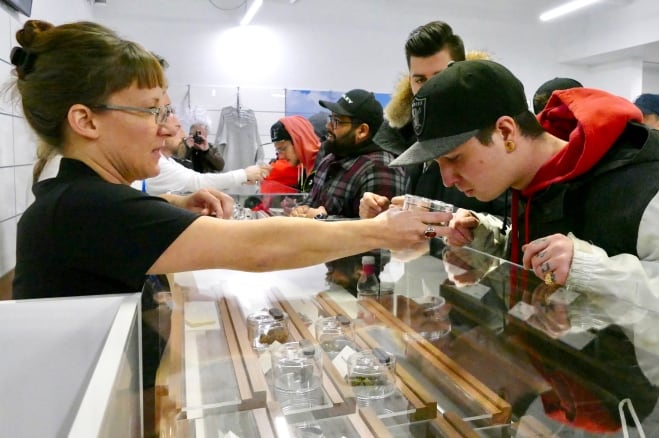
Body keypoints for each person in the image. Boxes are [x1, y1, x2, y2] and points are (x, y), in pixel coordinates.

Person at [10, 19, 452, 302]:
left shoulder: (77, 198)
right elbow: (261, 249)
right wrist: (378, 231)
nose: (168, 129)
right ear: (85, 121)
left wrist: (173, 210)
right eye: (152, 111)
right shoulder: (85, 208)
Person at [389, 59, 659, 348]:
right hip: (561, 397)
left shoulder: (650, 190)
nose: (447, 180)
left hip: (641, 416)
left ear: (506, 132)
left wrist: (600, 273)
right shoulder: (530, 187)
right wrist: (488, 242)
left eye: (454, 158)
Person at [361, 21, 507, 220]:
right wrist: (388, 213)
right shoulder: (405, 137)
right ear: (409, 81)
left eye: (441, 77)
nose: (430, 90)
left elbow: (519, 229)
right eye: (420, 80)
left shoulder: (496, 134)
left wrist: (443, 216)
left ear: (462, 72)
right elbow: (424, 223)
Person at [291, 89, 406, 218]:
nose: (328, 126)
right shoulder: (329, 159)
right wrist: (302, 209)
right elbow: (312, 204)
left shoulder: (380, 168)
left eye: (337, 121)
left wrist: (322, 220)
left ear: (362, 131)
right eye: (331, 118)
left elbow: (380, 231)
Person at [144, 115, 268, 195]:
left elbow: (219, 166)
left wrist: (206, 150)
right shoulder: (160, 163)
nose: (183, 135)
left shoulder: (167, 161)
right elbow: (196, 181)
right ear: (164, 132)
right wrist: (244, 175)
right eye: (178, 128)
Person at [268, 116, 321, 192]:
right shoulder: (305, 168)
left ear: (299, 141)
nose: (281, 157)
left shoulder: (325, 166)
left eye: (283, 149)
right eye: (278, 151)